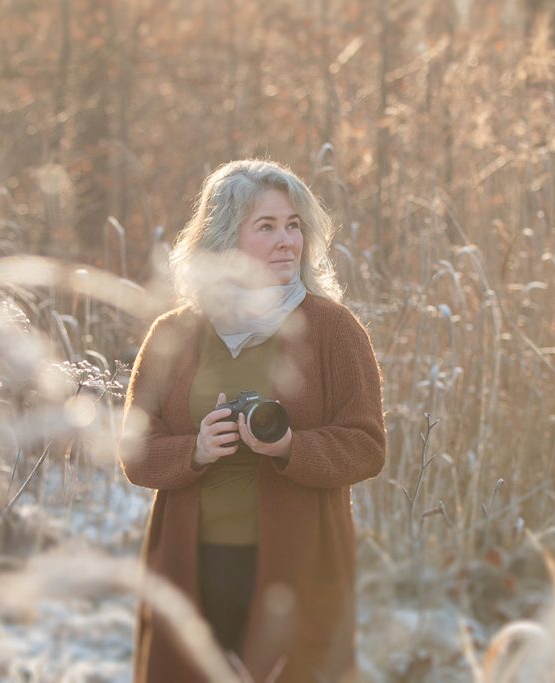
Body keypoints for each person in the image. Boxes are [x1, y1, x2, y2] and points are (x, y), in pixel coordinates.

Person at [119, 159, 386, 682]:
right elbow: (135, 452)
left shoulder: (334, 329)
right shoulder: (176, 334)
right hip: (192, 569)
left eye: (294, 225)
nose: (287, 240)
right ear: (223, 239)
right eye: (266, 227)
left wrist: (289, 446)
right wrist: (194, 450)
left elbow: (368, 445)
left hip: (299, 565)